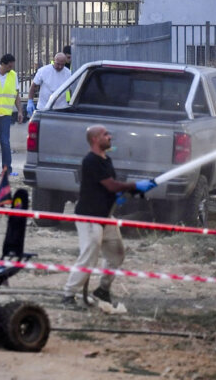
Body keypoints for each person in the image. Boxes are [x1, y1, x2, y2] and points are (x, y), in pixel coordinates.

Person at [62, 125, 156, 308]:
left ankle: (103, 290)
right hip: (89, 218)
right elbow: (111, 185)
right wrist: (135, 185)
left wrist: (125, 194)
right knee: (89, 256)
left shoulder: (106, 160)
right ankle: (68, 295)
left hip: (105, 217)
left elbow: (109, 189)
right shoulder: (91, 161)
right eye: (105, 134)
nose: (110, 137)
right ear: (96, 139)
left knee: (117, 254)